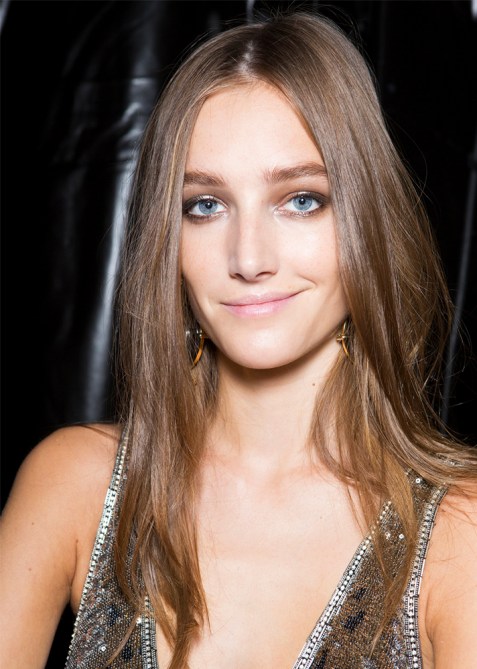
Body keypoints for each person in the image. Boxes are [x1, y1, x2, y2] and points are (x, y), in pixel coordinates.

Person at [1, 10, 476, 669]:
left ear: (367, 219)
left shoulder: (460, 528)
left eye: (301, 199)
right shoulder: (75, 484)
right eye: (205, 205)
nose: (248, 258)